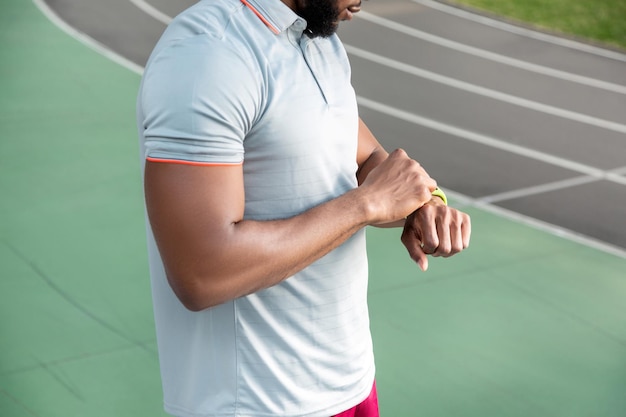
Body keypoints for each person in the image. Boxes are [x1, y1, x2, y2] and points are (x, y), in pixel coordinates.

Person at [136, 0, 471, 415]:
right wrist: (366, 205)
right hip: (258, 403)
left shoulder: (317, 39)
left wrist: (422, 204)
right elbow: (200, 273)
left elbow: (364, 161)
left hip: (350, 385)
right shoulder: (208, 54)